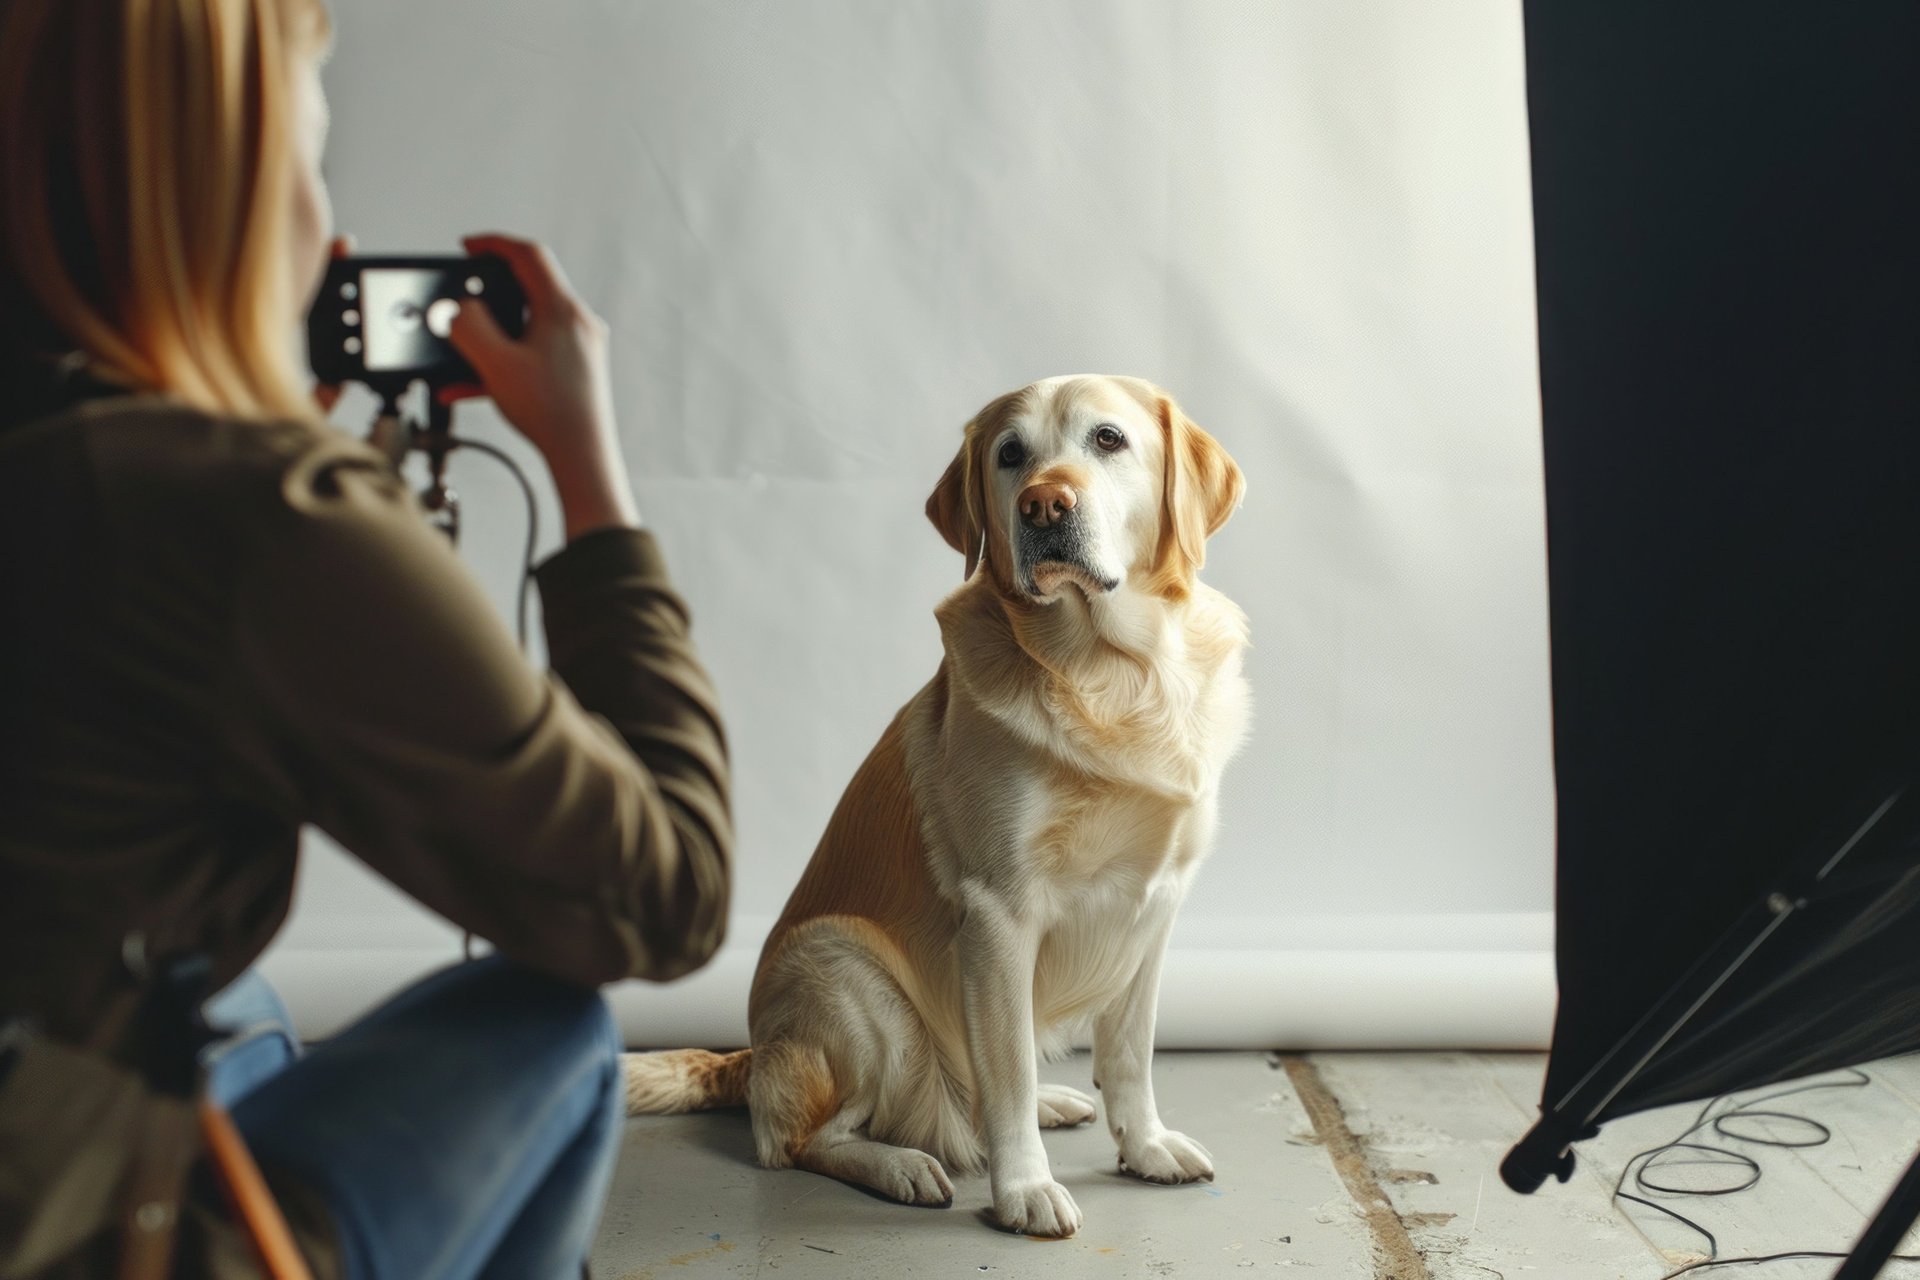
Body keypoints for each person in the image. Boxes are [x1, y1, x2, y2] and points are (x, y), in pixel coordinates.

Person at [0, 1, 733, 1277]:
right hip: (63, 1223)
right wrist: (589, 477)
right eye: (308, 151)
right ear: (233, 183)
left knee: (250, 1017)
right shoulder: (252, 511)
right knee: (547, 1022)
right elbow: (667, 891)